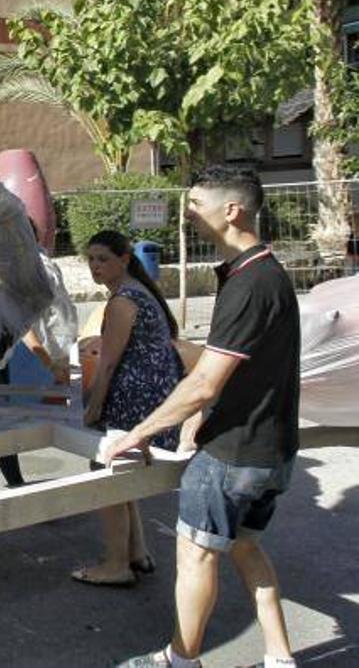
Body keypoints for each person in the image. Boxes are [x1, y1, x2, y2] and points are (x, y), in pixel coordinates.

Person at [108, 166, 300, 668]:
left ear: (231, 210)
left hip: (234, 454)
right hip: (270, 451)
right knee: (246, 548)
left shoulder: (251, 284)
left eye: (196, 203)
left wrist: (137, 433)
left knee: (195, 553)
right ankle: (281, 658)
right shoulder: (263, 273)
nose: (187, 213)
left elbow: (204, 381)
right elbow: (242, 371)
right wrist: (197, 420)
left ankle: (179, 659)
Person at [73, 229, 182, 587]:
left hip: (136, 401)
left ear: (124, 258)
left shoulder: (123, 300)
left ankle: (116, 563)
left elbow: (107, 364)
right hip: (154, 396)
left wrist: (93, 408)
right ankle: (137, 551)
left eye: (103, 258)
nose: (95, 266)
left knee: (106, 467)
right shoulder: (139, 291)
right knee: (123, 471)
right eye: (90, 259)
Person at [0, 217, 77, 492]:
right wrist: (53, 363)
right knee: (0, 416)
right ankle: (10, 482)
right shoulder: (10, 267)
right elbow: (30, 325)